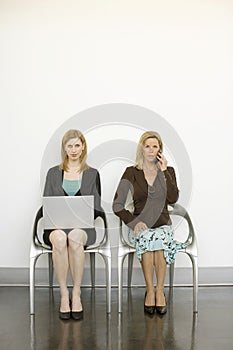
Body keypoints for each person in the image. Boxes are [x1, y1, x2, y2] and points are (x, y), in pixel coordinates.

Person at [112, 131, 186, 315]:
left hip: (162, 224)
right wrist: (134, 222)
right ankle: (150, 291)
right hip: (140, 225)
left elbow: (173, 198)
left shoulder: (168, 171)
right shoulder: (131, 172)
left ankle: (159, 291)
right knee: (147, 238)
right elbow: (117, 205)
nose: (151, 150)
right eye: (147, 146)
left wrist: (164, 171)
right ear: (142, 149)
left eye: (155, 146)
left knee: (159, 241)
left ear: (160, 149)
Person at [43, 129, 102, 320]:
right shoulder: (53, 173)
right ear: (64, 148)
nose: (74, 150)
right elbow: (47, 203)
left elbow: (97, 207)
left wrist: (85, 214)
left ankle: (76, 293)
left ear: (83, 146)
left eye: (77, 145)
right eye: (70, 146)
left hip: (82, 228)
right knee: (60, 239)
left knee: (75, 237)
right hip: (56, 227)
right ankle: (64, 294)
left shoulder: (92, 173)